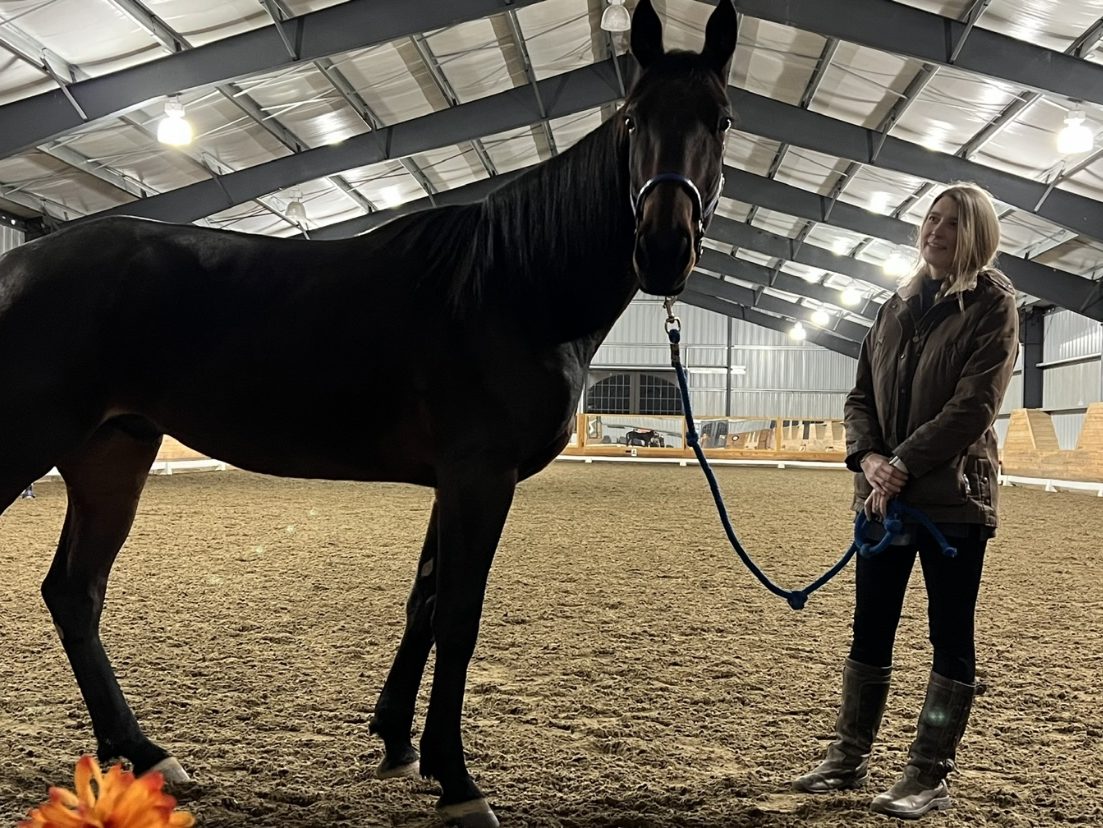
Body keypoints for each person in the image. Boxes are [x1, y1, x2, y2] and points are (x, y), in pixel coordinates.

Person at [792, 182, 1019, 819]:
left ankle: (928, 771)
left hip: (951, 501)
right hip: (884, 500)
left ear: (974, 233)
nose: (934, 231)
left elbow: (973, 405)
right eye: (930, 219)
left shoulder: (993, 305)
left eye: (950, 223)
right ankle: (848, 752)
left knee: (950, 635)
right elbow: (859, 395)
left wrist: (900, 463)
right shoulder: (893, 307)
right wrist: (867, 459)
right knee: (871, 626)